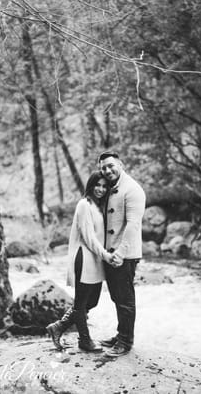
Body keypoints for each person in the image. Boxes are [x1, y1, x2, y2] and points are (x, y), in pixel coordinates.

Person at [46, 172, 117, 352]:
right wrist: (105, 255)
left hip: (96, 259)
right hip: (84, 257)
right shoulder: (84, 205)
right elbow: (88, 237)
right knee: (81, 303)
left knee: (91, 302)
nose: (101, 189)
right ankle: (84, 340)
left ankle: (59, 327)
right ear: (90, 185)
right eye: (97, 185)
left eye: (104, 186)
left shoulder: (99, 206)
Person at [97, 151, 145, 357]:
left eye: (110, 166)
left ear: (121, 164)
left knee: (125, 299)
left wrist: (121, 252)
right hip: (110, 253)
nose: (107, 170)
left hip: (124, 254)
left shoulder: (132, 189)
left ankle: (125, 342)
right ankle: (120, 334)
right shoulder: (111, 188)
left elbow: (134, 224)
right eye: (103, 168)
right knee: (117, 297)